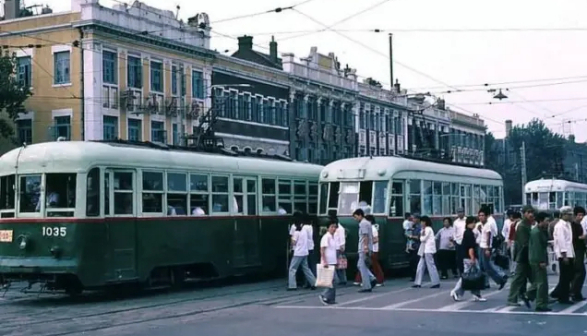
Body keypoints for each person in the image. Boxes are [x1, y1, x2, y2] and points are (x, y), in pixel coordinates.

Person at [450, 216, 486, 302]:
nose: (474, 224)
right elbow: (470, 248)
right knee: (468, 276)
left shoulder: (468, 232)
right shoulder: (469, 234)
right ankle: (457, 291)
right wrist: (472, 258)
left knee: (472, 276)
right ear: (470, 223)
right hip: (469, 257)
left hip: (467, 257)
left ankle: (475, 293)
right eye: (474, 222)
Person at [507, 205, 534, 306]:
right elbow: (524, 243)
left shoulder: (528, 224)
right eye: (528, 212)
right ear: (524, 214)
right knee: (518, 278)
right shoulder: (522, 226)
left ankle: (536, 295)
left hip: (528, 256)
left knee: (534, 278)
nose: (531, 214)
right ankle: (512, 298)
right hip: (524, 256)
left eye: (532, 212)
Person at [525, 211, 552, 312]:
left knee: (538, 281)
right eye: (547, 221)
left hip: (538, 258)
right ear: (541, 220)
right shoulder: (536, 232)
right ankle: (540, 304)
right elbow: (537, 248)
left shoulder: (541, 230)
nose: (548, 223)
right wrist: (541, 261)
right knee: (542, 283)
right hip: (537, 259)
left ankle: (528, 295)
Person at [478, 207, 508, 290]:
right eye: (479, 215)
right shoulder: (482, 225)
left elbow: (488, 237)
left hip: (486, 247)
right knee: (481, 265)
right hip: (481, 246)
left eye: (482, 215)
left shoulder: (488, 224)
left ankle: (500, 279)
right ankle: (484, 282)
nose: (480, 217)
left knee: (487, 266)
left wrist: (487, 248)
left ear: (486, 216)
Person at [551, 206, 575, 304]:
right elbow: (561, 241)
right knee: (566, 276)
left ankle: (559, 293)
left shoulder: (568, 224)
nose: (571, 216)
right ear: (564, 215)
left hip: (570, 252)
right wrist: (564, 255)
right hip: (564, 254)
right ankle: (563, 296)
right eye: (569, 214)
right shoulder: (560, 226)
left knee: (569, 275)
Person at [353, 209, 377, 292]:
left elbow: (365, 235)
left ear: (360, 215)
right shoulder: (368, 223)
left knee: (362, 266)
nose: (355, 219)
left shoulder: (363, 223)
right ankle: (372, 278)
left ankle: (366, 286)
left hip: (363, 248)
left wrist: (365, 247)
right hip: (367, 247)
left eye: (356, 217)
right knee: (360, 265)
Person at [356, 215, 384, 286]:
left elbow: (376, 239)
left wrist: (368, 244)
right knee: (363, 265)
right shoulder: (368, 227)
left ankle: (379, 280)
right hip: (369, 249)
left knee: (374, 265)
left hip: (373, 249)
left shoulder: (373, 228)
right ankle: (361, 279)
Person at [413, 216, 440, 288]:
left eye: (422, 222)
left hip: (428, 250)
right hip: (424, 249)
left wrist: (421, 234)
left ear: (426, 222)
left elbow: (422, 239)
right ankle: (417, 282)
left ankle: (435, 282)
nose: (421, 223)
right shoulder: (424, 229)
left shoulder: (428, 229)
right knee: (420, 266)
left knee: (430, 265)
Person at [288, 221, 317, 290]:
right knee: (306, 268)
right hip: (305, 252)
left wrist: (291, 239)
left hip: (298, 253)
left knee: (292, 269)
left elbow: (293, 242)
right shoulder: (304, 232)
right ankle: (313, 283)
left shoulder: (296, 233)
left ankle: (292, 286)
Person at [318, 221, 339, 305]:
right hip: (328, 262)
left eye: (335, 227)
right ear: (328, 228)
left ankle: (331, 298)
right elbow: (322, 249)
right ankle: (324, 295)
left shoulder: (333, 237)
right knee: (333, 280)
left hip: (332, 261)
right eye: (332, 227)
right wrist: (325, 261)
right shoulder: (326, 237)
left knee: (334, 280)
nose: (334, 229)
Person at [571, 206, 586, 301]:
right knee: (580, 272)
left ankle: (576, 292)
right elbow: (573, 239)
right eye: (579, 215)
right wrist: (583, 237)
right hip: (576, 250)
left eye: (582, 215)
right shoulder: (573, 226)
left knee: (580, 272)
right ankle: (574, 292)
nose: (580, 217)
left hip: (580, 250)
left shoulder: (580, 225)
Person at [405, 214, 422, 281]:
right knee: (412, 262)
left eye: (414, 218)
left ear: (418, 219)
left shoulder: (420, 227)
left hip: (417, 246)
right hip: (411, 246)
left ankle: (417, 276)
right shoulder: (412, 226)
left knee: (416, 262)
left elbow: (419, 237)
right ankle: (413, 276)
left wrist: (411, 236)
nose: (413, 220)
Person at [332, 216, 347, 285]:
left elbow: (342, 239)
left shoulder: (340, 229)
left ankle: (342, 279)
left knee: (340, 264)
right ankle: (342, 279)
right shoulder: (336, 228)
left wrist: (342, 247)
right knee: (339, 264)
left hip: (338, 248)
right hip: (334, 248)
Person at [452, 208, 467, 275]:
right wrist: (455, 240)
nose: (460, 213)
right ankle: (461, 272)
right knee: (459, 258)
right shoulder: (455, 222)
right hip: (459, 242)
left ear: (464, 212)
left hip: (466, 242)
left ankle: (467, 271)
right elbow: (454, 232)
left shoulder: (467, 220)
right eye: (459, 212)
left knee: (466, 257)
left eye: (461, 212)